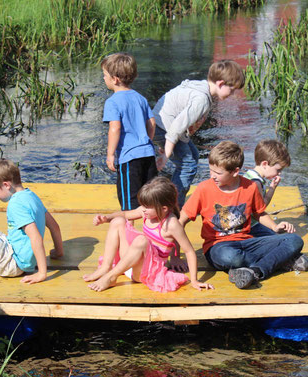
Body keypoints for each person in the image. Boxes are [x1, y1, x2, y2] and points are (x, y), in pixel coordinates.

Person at [180, 141, 308, 290]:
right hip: (218, 246)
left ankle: (254, 271)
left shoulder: (250, 187)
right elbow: (180, 221)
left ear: (235, 171)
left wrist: (275, 226)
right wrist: (175, 255)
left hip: (248, 242)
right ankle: (279, 261)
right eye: (211, 171)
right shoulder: (204, 188)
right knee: (231, 257)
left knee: (294, 240)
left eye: (218, 173)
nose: (212, 176)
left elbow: (260, 213)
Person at [85, 176, 213, 292]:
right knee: (118, 221)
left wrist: (195, 280)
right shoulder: (147, 211)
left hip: (145, 272)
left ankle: (111, 276)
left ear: (164, 208)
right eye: (142, 205)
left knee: (142, 240)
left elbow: (189, 251)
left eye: (146, 207)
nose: (143, 209)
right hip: (128, 263)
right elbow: (125, 214)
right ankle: (106, 267)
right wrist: (106, 218)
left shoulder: (172, 224)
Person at [153, 59, 245, 207]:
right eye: (232, 89)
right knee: (187, 165)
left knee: (194, 156)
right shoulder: (201, 99)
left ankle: (172, 199)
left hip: (162, 124)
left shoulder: (203, 88)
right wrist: (166, 154)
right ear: (221, 83)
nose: (233, 94)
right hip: (165, 127)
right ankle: (172, 208)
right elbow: (176, 127)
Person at [101, 52, 158, 211]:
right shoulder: (140, 98)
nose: (103, 78)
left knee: (129, 201)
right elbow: (151, 124)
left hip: (129, 157)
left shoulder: (112, 102)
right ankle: (153, 229)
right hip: (148, 153)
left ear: (115, 79)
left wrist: (110, 154)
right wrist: (147, 141)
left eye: (104, 75)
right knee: (151, 197)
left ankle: (128, 231)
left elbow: (115, 128)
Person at [243, 139, 291, 238]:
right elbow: (261, 208)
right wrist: (272, 188)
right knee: (278, 238)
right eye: (278, 170)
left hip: (245, 223)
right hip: (250, 227)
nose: (279, 173)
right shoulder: (256, 183)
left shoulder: (248, 175)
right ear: (265, 164)